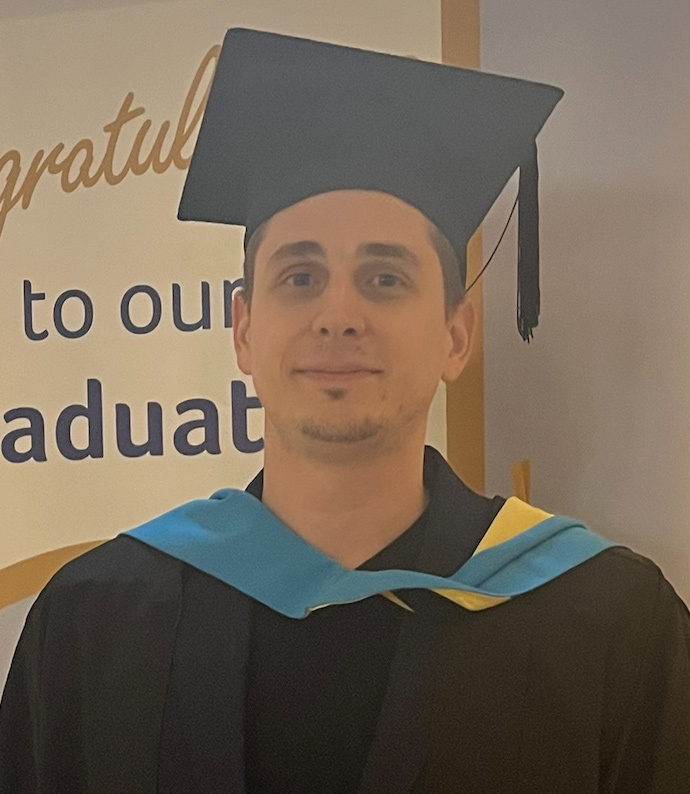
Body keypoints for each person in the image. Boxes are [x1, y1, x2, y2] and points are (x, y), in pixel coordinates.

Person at [1, 28, 689, 794]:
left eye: (385, 278)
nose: (338, 314)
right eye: (299, 276)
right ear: (244, 330)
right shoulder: (93, 625)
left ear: (456, 336)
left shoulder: (612, 625)